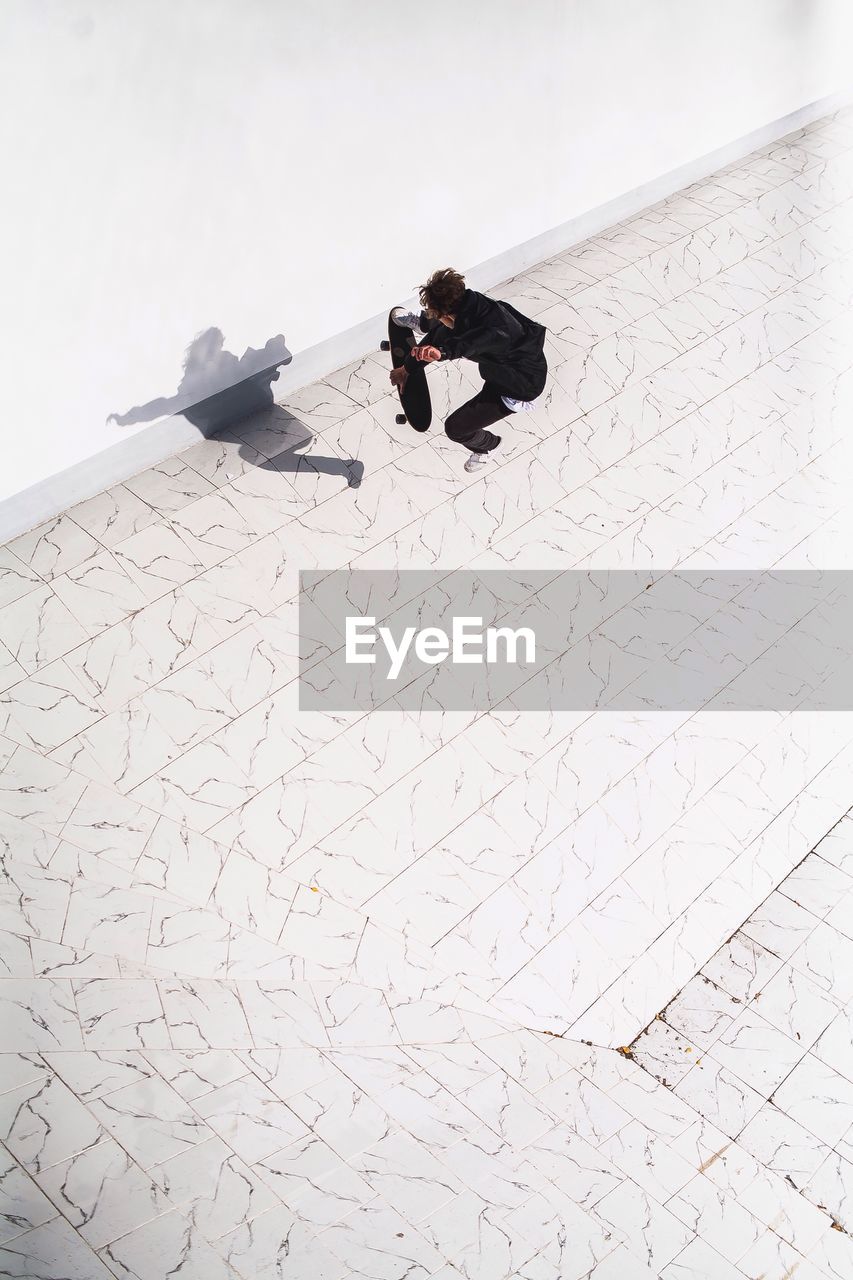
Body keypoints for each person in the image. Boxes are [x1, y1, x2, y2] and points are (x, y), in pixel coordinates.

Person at [390, 267, 547, 472]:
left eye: (435, 314)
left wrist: (442, 353)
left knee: (456, 428)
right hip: (502, 366)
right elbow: (450, 332)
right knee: (444, 329)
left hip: (518, 386)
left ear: (446, 313)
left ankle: (489, 447)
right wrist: (407, 370)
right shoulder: (471, 302)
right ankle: (423, 323)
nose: (439, 318)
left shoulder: (494, 331)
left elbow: (468, 343)